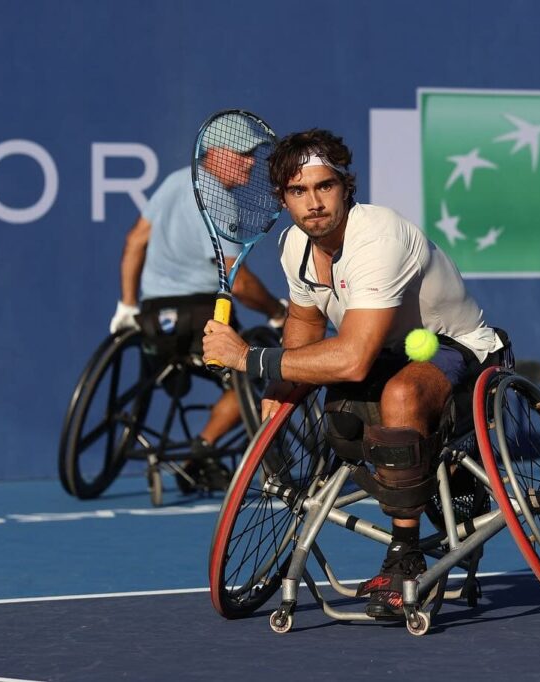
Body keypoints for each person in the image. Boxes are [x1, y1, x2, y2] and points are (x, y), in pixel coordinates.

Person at [201, 129, 509, 618]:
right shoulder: (294, 245)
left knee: (401, 397)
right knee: (342, 421)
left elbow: (352, 360)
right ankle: (432, 475)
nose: (313, 203)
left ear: (346, 187)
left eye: (324, 186)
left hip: (458, 348)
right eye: (298, 191)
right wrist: (281, 388)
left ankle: (405, 556)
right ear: (282, 198)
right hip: (383, 354)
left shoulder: (377, 237)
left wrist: (249, 359)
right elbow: (306, 322)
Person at [110, 125, 288, 492]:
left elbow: (134, 241)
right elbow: (240, 284)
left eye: (252, 154)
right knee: (254, 368)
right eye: (242, 153)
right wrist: (276, 311)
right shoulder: (219, 199)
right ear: (215, 153)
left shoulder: (175, 181)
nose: (250, 162)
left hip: (154, 320)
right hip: (200, 318)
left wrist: (127, 305)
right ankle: (200, 451)